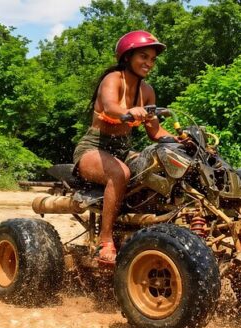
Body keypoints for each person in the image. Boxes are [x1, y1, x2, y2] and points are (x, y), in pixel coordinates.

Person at [72, 30, 175, 265]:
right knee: (120, 174)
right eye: (143, 57)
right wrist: (128, 112)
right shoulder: (113, 79)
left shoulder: (147, 91)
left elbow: (155, 132)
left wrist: (183, 139)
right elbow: (109, 108)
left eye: (152, 59)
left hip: (123, 150)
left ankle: (143, 234)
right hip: (93, 148)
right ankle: (105, 240)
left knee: (155, 169)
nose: (149, 63)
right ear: (127, 57)